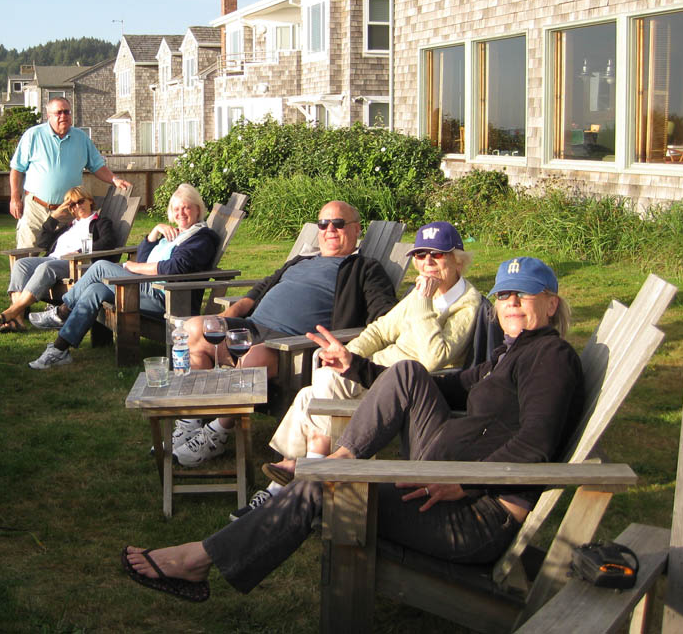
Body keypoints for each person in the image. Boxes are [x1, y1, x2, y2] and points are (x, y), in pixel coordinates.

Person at [122, 257, 584, 604]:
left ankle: (199, 560)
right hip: (441, 478)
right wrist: (356, 365)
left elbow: (536, 445)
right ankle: (338, 460)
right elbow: (450, 386)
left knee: (327, 487)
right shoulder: (511, 354)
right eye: (504, 295)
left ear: (551, 302)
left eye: (524, 295)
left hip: (475, 515)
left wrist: (463, 481)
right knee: (408, 373)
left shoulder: (551, 357)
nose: (512, 304)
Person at [239, 221, 483, 518]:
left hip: (409, 388)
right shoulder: (419, 294)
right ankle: (286, 486)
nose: (427, 263)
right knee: (309, 394)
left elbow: (434, 357)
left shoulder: (467, 305)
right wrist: (349, 354)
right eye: (420, 256)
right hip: (378, 371)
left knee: (326, 382)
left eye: (437, 255)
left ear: (457, 259)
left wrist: (423, 305)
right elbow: (380, 330)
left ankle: (306, 480)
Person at [172, 201, 397, 468]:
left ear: (356, 229)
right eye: (323, 224)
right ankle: (191, 419)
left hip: (290, 345)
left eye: (338, 224)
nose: (329, 230)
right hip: (252, 326)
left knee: (252, 357)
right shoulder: (301, 260)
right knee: (194, 329)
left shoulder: (365, 269)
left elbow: (384, 318)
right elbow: (261, 288)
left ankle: (218, 432)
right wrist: (224, 316)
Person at [26, 183, 218, 370]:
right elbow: (144, 257)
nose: (181, 213)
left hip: (167, 297)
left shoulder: (201, 237)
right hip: (145, 288)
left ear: (198, 209)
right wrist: (154, 232)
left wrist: (134, 266)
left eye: (187, 208)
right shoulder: (177, 234)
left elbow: (176, 267)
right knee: (95, 289)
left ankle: (63, 311)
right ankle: (60, 350)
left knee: (100, 267)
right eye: (176, 208)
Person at [0, 186, 117, 333]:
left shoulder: (100, 222)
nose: (78, 206)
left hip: (76, 264)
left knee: (47, 267)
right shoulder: (69, 226)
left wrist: (79, 252)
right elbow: (42, 243)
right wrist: (54, 217)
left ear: (90, 201)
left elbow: (108, 241)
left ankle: (10, 313)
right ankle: (19, 320)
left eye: (80, 201)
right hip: (54, 259)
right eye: (72, 204)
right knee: (21, 264)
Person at [10, 97, 131, 248]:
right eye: (58, 113)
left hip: (68, 210)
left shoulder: (81, 138)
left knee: (64, 254)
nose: (63, 116)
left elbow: (97, 166)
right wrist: (15, 197)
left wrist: (114, 179)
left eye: (67, 112)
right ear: (48, 116)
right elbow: (17, 169)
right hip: (36, 208)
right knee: (26, 254)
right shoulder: (33, 135)